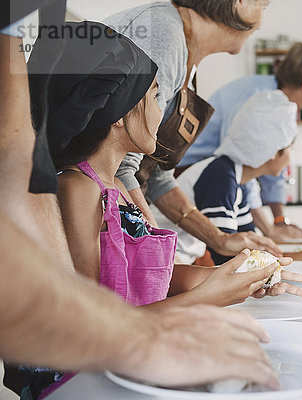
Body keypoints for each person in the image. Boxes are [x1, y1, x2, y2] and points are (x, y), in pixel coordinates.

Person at [0, 8, 278, 400]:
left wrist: (234, 276)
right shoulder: (80, 190)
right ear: (118, 114)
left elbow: (145, 279)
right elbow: (84, 318)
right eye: (155, 96)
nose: (162, 109)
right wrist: (202, 299)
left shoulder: (120, 191)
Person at [104, 0, 283, 259]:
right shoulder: (163, 34)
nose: (263, 18)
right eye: (263, 5)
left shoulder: (185, 58)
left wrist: (219, 239)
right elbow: (117, 168)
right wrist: (159, 256)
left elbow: (157, 176)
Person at [178, 42, 302, 246]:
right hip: (185, 175)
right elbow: (243, 164)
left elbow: (255, 172)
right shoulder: (258, 103)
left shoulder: (279, 105)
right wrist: (270, 230)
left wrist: (278, 222)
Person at [165, 88, 302, 265]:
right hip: (167, 265)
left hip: (180, 263)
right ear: (273, 151)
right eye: (291, 148)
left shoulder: (240, 180)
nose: (292, 156)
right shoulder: (221, 177)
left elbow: (247, 244)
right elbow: (228, 259)